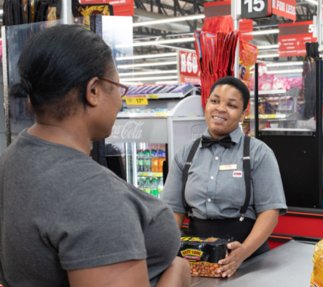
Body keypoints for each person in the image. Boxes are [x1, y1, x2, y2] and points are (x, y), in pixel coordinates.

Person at [0, 25, 190, 287]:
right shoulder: (91, 195)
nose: (120, 101)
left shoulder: (11, 160)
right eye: (117, 87)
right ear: (93, 91)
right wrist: (177, 274)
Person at [162, 76, 287, 278]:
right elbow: (173, 210)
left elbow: (270, 211)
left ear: (243, 113)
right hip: (196, 257)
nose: (220, 108)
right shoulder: (186, 154)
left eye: (231, 105)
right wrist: (170, 251)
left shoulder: (258, 153)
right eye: (214, 101)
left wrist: (243, 253)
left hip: (249, 257)